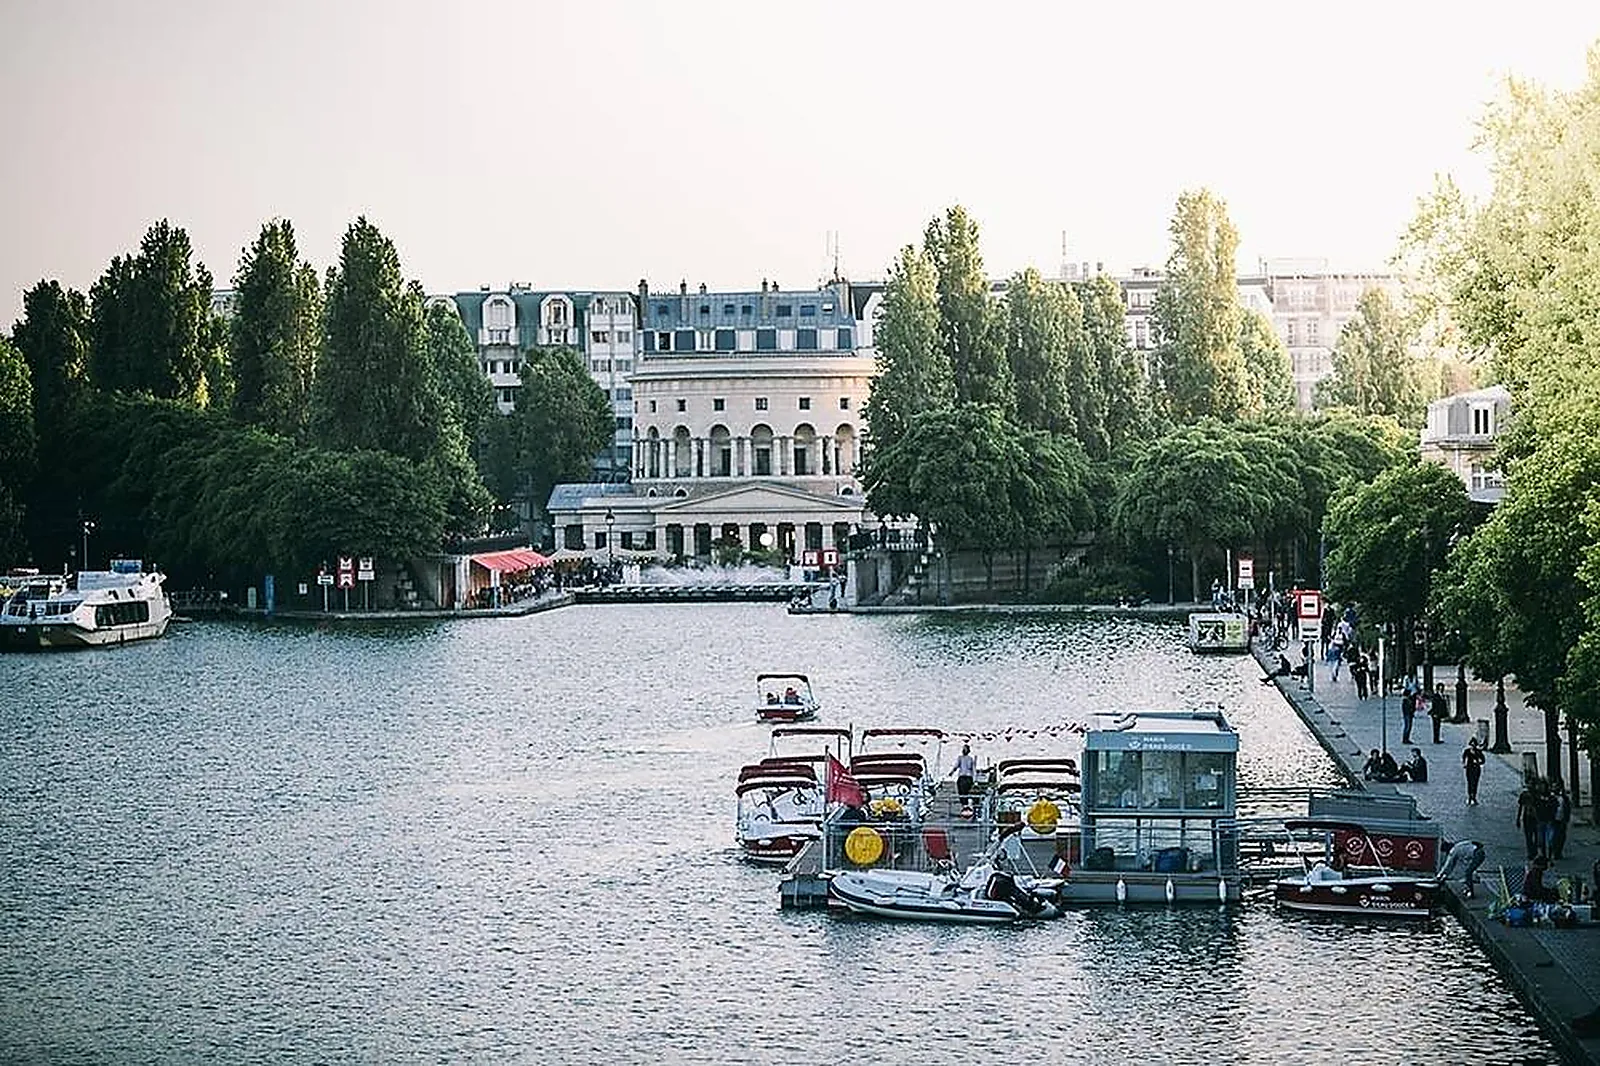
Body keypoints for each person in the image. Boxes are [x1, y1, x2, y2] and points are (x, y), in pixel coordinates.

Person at [1516, 781, 1543, 859]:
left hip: (1535, 817)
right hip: (1527, 817)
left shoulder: (1537, 795)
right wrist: (1518, 819)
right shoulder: (1524, 795)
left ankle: (1533, 851)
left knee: (1535, 836)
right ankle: (1531, 852)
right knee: (1529, 836)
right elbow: (1521, 807)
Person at [1552, 780, 1573, 861]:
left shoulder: (1564, 798)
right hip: (1554, 820)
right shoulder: (1551, 797)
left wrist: (1566, 818)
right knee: (1554, 836)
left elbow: (1567, 808)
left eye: (1556, 786)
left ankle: (1558, 851)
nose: (1555, 788)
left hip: (1562, 819)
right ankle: (1555, 852)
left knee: (1562, 836)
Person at [1462, 737, 1485, 805]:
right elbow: (1464, 758)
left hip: (1476, 769)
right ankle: (1470, 796)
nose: (1472, 746)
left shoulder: (1478, 752)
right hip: (1469, 769)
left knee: (1475, 783)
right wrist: (1465, 764)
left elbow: (1483, 760)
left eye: (1474, 745)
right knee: (1469, 783)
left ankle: (1474, 796)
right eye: (1471, 745)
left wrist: (1478, 761)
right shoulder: (1467, 751)